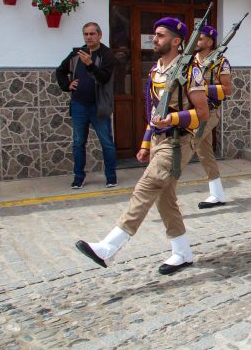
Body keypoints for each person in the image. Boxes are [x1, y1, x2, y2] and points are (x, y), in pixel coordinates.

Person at [75, 17, 209, 276]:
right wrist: (146, 142)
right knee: (164, 198)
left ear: (176, 41)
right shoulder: (156, 70)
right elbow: (156, 111)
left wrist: (173, 119)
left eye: (160, 35)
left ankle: (108, 247)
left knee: (147, 186)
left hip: (178, 141)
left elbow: (202, 112)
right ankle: (182, 252)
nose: (154, 39)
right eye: (155, 34)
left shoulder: (190, 70)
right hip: (160, 140)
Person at [55, 22, 117, 189]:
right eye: (86, 34)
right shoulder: (77, 53)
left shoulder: (107, 55)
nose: (89, 37)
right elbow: (60, 71)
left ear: (99, 35)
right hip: (79, 105)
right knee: (78, 143)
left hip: (99, 106)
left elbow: (103, 78)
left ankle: (111, 177)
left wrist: (90, 64)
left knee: (107, 143)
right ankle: (78, 177)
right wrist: (67, 85)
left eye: (92, 34)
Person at [193, 26, 233, 209]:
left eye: (200, 39)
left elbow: (227, 89)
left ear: (209, 42)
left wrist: (202, 88)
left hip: (210, 111)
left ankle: (165, 187)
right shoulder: (190, 61)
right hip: (194, 111)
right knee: (203, 150)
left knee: (190, 142)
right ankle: (217, 194)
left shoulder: (220, 62)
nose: (196, 41)